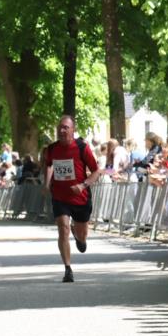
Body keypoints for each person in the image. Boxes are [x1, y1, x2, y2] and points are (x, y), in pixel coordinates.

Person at [42, 115, 103, 283]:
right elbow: (48, 165)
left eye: (65, 128)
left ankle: (79, 236)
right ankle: (67, 269)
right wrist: (46, 184)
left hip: (80, 197)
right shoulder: (52, 149)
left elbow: (97, 171)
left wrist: (83, 185)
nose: (61, 131)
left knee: (82, 237)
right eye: (59, 128)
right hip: (60, 196)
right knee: (63, 228)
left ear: (73, 130)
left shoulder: (82, 147)